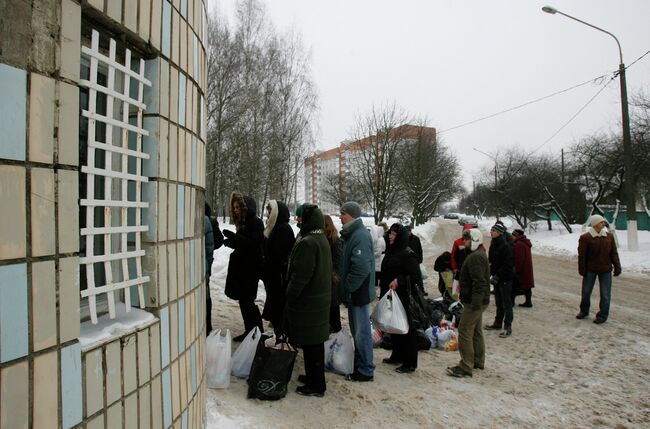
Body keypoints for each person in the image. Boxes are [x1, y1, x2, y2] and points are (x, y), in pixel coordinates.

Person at [286, 205, 332, 397]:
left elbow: (301, 276)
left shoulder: (308, 242)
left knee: (312, 344)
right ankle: (314, 377)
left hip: (309, 302)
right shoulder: (321, 239)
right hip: (318, 301)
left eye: (301, 218)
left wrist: (290, 293)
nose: (298, 221)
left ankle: (316, 385)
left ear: (308, 220)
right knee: (315, 343)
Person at [338, 201, 375, 382]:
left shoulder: (359, 235)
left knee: (361, 333)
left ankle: (366, 370)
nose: (340, 216)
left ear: (351, 215)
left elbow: (361, 268)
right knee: (358, 331)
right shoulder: (352, 234)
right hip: (355, 293)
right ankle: (361, 365)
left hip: (358, 293)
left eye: (342, 213)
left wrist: (348, 286)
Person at [447, 228, 490, 378]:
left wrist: (475, 303)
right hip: (477, 300)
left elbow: (479, 282)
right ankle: (478, 360)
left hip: (474, 301)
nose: (463, 242)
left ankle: (466, 366)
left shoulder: (476, 258)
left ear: (474, 241)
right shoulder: (476, 254)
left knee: (464, 330)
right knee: (476, 330)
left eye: (466, 240)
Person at [223, 192, 265, 342]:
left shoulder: (256, 222)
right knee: (244, 302)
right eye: (233, 207)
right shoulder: (244, 222)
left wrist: (236, 238)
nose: (235, 210)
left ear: (244, 207)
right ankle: (250, 331)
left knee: (248, 302)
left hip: (250, 269)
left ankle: (257, 332)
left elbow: (253, 244)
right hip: (242, 269)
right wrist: (232, 242)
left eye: (238, 207)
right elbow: (244, 243)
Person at [380, 223, 421, 373]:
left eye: (394, 234)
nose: (390, 236)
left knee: (406, 328)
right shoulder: (392, 250)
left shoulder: (406, 253)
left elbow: (416, 275)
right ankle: (397, 354)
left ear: (400, 237)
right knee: (393, 325)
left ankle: (410, 362)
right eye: (390, 233)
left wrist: (399, 280)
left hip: (402, 295)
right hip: (390, 294)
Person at [576, 214, 621, 324]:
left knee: (605, 294)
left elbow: (613, 253)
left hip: (605, 270)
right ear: (595, 224)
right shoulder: (585, 238)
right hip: (590, 269)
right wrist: (582, 269)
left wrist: (617, 266)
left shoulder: (609, 236)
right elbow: (582, 255)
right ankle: (584, 311)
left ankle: (602, 316)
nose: (604, 223)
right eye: (601, 222)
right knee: (586, 292)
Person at [261, 200, 296, 335]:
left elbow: (277, 255)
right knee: (275, 310)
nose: (268, 215)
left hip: (278, 278)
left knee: (278, 310)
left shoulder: (283, 229)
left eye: (270, 212)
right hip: (273, 277)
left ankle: (281, 338)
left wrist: (266, 264)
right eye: (268, 212)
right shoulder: (274, 228)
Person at [486, 222, 515, 338]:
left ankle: (508, 326)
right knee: (498, 302)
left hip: (505, 278)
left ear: (499, 233)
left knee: (506, 303)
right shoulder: (493, 244)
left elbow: (508, 264)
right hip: (496, 278)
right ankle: (497, 322)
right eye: (491, 230)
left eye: (493, 231)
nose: (491, 232)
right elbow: (492, 261)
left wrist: (498, 275)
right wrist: (490, 272)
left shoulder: (506, 246)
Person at [323, 214, 343, 333]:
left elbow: (338, 263)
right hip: (327, 280)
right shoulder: (325, 239)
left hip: (332, 281)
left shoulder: (335, 241)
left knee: (333, 310)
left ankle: (336, 334)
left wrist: (331, 276)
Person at [511, 229, 535, 307]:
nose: (512, 237)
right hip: (527, 268)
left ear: (516, 235)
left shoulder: (518, 244)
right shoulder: (525, 242)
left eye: (513, 235)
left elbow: (519, 258)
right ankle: (528, 302)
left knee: (514, 285)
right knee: (527, 286)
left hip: (521, 269)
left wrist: (516, 269)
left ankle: (511, 302)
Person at [204, 204, 215, 335]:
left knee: (206, 297)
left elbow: (209, 248)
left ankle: (207, 327)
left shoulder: (205, 221)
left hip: (204, 265)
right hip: (205, 265)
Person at [405, 225, 425, 295]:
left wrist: (420, 259)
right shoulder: (403, 240)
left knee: (419, 276)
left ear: (411, 231)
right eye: (406, 231)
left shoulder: (416, 239)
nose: (408, 233)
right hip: (407, 261)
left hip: (416, 260)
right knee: (409, 277)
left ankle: (421, 290)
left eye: (409, 231)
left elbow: (420, 250)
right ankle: (410, 290)